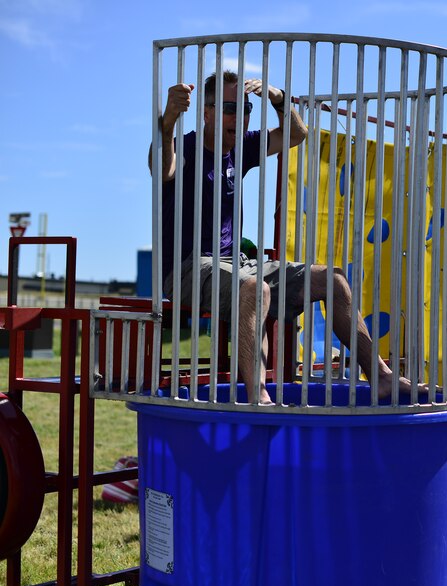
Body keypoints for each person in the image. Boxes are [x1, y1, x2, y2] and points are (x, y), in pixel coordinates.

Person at [149, 71, 422, 403]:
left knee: (333, 280)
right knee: (255, 290)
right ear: (206, 112)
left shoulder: (241, 146)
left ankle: (381, 378)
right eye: (230, 108)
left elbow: (296, 133)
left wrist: (279, 100)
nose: (241, 115)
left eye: (246, 107)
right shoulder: (184, 146)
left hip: (235, 262)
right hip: (186, 266)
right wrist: (168, 122)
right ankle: (257, 396)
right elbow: (163, 169)